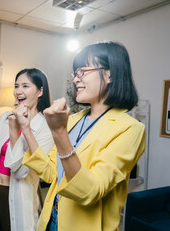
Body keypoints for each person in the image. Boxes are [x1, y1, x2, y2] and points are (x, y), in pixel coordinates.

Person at [21, 41, 146, 231]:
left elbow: (90, 191)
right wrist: (26, 129)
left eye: (83, 71)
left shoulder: (130, 129)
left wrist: (59, 133)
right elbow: (51, 173)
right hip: (51, 220)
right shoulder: (73, 119)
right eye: (75, 73)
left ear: (110, 74)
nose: (76, 79)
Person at [0, 68, 55, 231]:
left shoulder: (45, 127)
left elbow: (20, 171)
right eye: (16, 86)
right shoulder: (5, 117)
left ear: (40, 91)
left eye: (25, 86)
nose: (18, 91)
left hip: (19, 201)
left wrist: (14, 130)